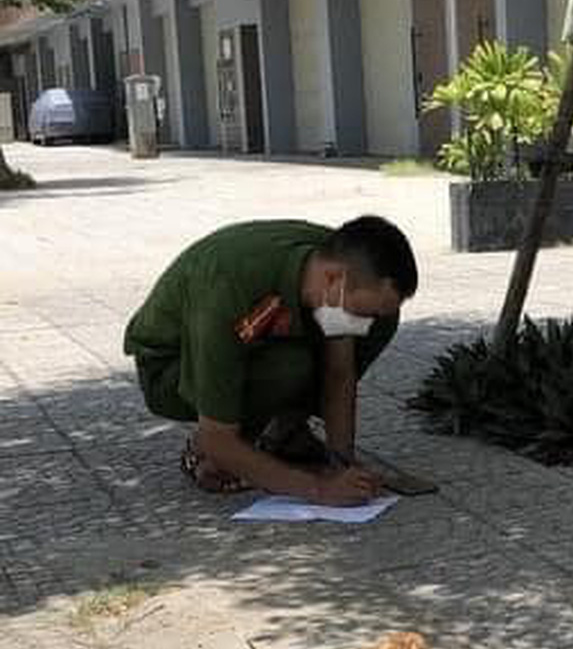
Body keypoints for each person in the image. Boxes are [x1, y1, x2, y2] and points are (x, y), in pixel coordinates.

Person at [124, 215, 418, 501]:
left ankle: (284, 432)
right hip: (169, 368)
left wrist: (342, 465)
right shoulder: (229, 284)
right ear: (332, 279)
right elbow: (218, 438)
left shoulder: (337, 266)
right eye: (360, 313)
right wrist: (320, 489)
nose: (363, 326)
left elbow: (339, 372)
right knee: (288, 367)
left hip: (254, 340)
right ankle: (204, 451)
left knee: (383, 319)